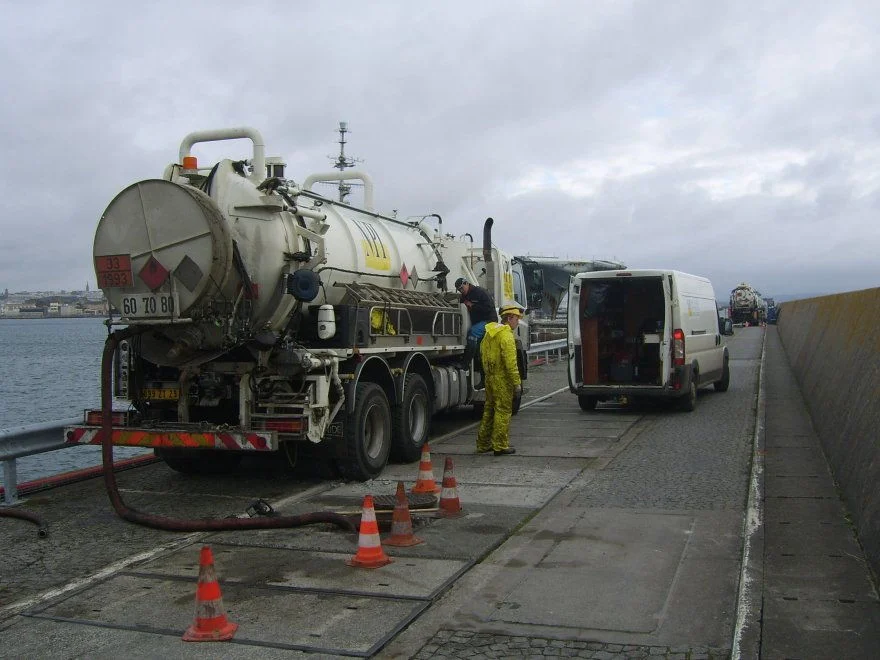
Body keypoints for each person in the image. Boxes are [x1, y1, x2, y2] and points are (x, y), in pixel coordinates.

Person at [476, 303, 523, 456]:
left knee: (489, 410)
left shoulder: (490, 333)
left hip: (490, 377)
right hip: (502, 379)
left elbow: (482, 353)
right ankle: (500, 445)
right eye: (516, 318)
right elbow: (511, 363)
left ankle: (483, 444)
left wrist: (488, 374)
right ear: (509, 318)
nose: (518, 321)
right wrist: (516, 383)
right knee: (503, 411)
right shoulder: (506, 336)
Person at [454, 277, 496, 368]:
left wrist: (473, 306)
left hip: (488, 321)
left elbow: (488, 309)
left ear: (466, 283)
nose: (461, 291)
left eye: (462, 288)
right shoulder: (463, 296)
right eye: (459, 290)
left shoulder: (481, 292)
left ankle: (465, 363)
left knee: (473, 333)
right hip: (477, 322)